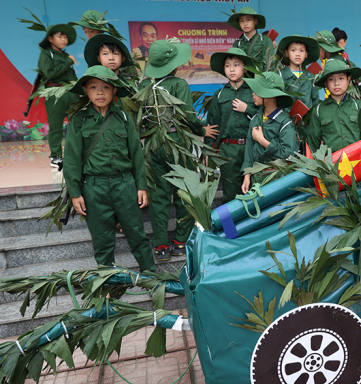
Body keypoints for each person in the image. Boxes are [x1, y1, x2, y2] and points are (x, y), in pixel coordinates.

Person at [63, 66, 156, 272]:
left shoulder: (124, 118)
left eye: (106, 87)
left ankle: (151, 278)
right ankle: (107, 285)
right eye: (93, 87)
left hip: (124, 184)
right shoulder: (79, 120)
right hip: (94, 188)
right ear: (86, 91)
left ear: (114, 91)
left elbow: (136, 154)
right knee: (102, 240)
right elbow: (71, 159)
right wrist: (76, 193)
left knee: (137, 235)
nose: (100, 92)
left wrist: (141, 185)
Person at [139, 40, 219, 260]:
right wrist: (201, 131)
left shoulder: (143, 85)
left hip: (153, 144)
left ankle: (161, 246)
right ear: (173, 65)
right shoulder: (178, 84)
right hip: (177, 142)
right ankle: (181, 241)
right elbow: (188, 117)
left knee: (159, 196)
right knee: (185, 192)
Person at [204, 48, 260, 204]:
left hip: (253, 147)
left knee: (256, 190)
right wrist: (208, 151)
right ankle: (233, 228)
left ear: (244, 67)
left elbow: (263, 118)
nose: (232, 69)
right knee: (231, 195)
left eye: (236, 65)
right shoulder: (220, 95)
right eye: (228, 66)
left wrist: (247, 109)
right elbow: (212, 125)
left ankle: (253, 227)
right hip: (228, 150)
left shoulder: (254, 91)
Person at [240, 72, 297, 193]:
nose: (253, 93)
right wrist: (247, 176)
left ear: (269, 95)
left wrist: (262, 140)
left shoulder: (284, 123)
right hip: (256, 179)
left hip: (277, 180)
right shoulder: (255, 119)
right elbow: (249, 151)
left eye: (257, 90)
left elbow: (288, 155)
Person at [37, 24, 78, 168]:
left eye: (65, 37)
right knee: (56, 125)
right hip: (54, 93)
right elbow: (50, 74)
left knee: (78, 122)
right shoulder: (46, 54)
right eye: (60, 36)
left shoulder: (66, 55)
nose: (63, 39)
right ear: (50, 38)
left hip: (70, 92)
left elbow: (72, 77)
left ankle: (77, 152)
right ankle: (55, 156)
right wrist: (69, 62)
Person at [306, 58, 361, 152]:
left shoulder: (359, 107)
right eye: (331, 79)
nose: (336, 83)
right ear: (326, 83)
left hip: (357, 163)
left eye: (341, 78)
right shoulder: (318, 110)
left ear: (348, 80)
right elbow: (313, 144)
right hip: (331, 165)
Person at [276, 35, 321, 149]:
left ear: (306, 54)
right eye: (293, 50)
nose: (297, 54)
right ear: (286, 53)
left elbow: (315, 103)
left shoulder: (311, 77)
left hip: (307, 129)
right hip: (286, 127)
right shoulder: (280, 75)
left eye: (301, 50)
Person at [316, 30, 361, 101]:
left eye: (318, 47)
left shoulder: (333, 64)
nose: (316, 51)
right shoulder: (341, 58)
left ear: (325, 48)